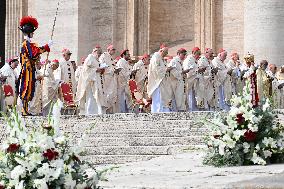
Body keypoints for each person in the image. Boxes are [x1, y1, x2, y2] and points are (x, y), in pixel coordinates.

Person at [18, 16, 51, 115]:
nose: (33, 34)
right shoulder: (26, 44)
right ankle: (24, 110)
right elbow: (33, 54)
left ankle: (26, 109)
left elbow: (35, 53)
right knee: (26, 88)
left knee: (30, 89)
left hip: (30, 68)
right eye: (32, 32)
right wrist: (46, 47)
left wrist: (45, 47)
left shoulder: (29, 43)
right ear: (29, 32)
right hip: (27, 69)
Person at [75, 46, 105, 115]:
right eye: (99, 53)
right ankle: (89, 112)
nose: (100, 54)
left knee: (96, 97)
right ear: (94, 51)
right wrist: (96, 70)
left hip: (96, 81)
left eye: (101, 53)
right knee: (91, 98)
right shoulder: (90, 58)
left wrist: (101, 69)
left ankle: (97, 112)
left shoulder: (96, 60)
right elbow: (86, 70)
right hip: (90, 82)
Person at [147, 44, 172, 113]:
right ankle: (157, 114)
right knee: (158, 100)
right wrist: (166, 69)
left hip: (162, 82)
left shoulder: (161, 58)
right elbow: (156, 70)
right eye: (165, 52)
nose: (166, 53)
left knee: (163, 99)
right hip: (157, 83)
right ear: (161, 50)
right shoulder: (156, 57)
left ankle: (164, 112)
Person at [99, 45, 119, 113]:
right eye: (113, 49)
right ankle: (105, 110)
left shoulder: (111, 58)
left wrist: (116, 69)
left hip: (112, 78)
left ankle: (110, 110)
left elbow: (113, 66)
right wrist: (112, 70)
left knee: (112, 94)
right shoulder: (103, 56)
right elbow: (102, 66)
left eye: (114, 50)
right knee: (107, 94)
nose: (114, 51)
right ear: (108, 50)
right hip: (106, 78)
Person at [182, 47, 201, 111]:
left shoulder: (194, 60)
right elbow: (187, 70)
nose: (199, 56)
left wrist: (197, 72)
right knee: (189, 95)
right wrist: (196, 72)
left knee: (193, 95)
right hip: (189, 80)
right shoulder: (189, 60)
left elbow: (195, 69)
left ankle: (194, 108)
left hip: (194, 80)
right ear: (194, 53)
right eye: (198, 54)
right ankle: (190, 108)